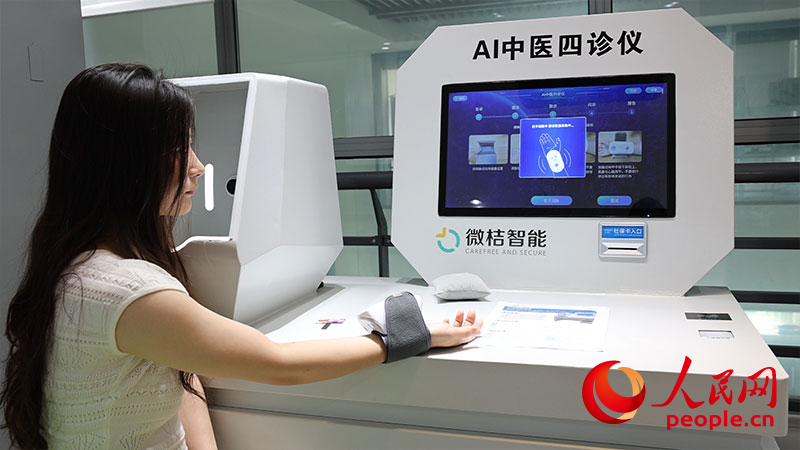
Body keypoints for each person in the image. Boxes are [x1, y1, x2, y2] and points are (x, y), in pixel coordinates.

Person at [0, 63, 483, 450]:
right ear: (126, 165)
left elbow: (181, 371)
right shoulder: (129, 291)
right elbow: (280, 364)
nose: (198, 166)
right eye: (180, 148)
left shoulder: (76, 266)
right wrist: (407, 337)